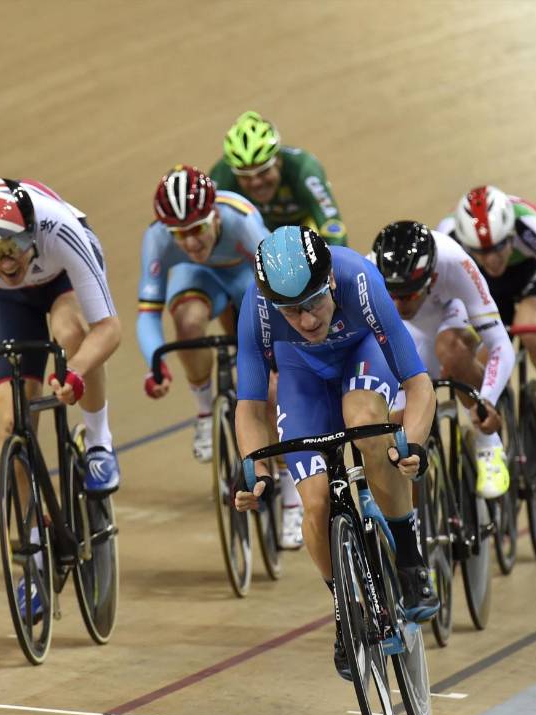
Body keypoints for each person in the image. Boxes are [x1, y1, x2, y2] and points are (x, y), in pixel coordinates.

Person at [233, 226, 436, 679]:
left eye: (315, 303)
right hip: (301, 377)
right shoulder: (257, 308)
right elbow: (247, 407)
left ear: (330, 282)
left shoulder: (360, 279)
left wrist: (415, 444)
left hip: (361, 354)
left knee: (364, 423)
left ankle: (408, 555)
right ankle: (347, 610)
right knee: (316, 504)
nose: (306, 321)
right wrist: (255, 469)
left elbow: (418, 384)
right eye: (292, 310)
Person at [0, 177, 121, 619]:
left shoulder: (60, 230)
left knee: (73, 334)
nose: (3, 260)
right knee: (12, 426)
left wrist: (75, 372)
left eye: (10, 248)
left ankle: (98, 442)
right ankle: (34, 558)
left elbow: (108, 330)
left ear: (31, 232)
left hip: (61, 286)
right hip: (8, 304)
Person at [139, 164, 304, 548]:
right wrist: (155, 362)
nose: (191, 243)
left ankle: (294, 497)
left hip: (251, 281)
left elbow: (280, 290)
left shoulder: (242, 220)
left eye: (197, 230)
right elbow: (147, 314)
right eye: (180, 235)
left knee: (274, 389)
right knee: (187, 323)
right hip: (199, 280)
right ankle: (203, 410)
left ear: (214, 215)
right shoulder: (157, 238)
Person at [371, 221, 515, 499]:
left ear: (431, 278)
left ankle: (488, 442)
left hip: (451, 313)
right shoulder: (368, 270)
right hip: (409, 332)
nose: (401, 305)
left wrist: (487, 399)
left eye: (410, 294)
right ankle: (411, 518)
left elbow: (499, 344)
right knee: (399, 432)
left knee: (451, 350)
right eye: (393, 295)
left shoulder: (455, 262)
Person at [439, 186, 536, 458]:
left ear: (510, 234)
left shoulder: (528, 225)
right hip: (485, 291)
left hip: (531, 280)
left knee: (531, 328)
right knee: (473, 361)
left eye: (498, 247)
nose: (491, 259)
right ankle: (490, 429)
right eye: (481, 252)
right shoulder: (449, 234)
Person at [208, 111, 348, 246]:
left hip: (303, 225)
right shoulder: (222, 176)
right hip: (257, 229)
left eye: (263, 171)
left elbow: (332, 227)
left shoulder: (304, 169)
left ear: (278, 160)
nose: (256, 182)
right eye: (244, 175)